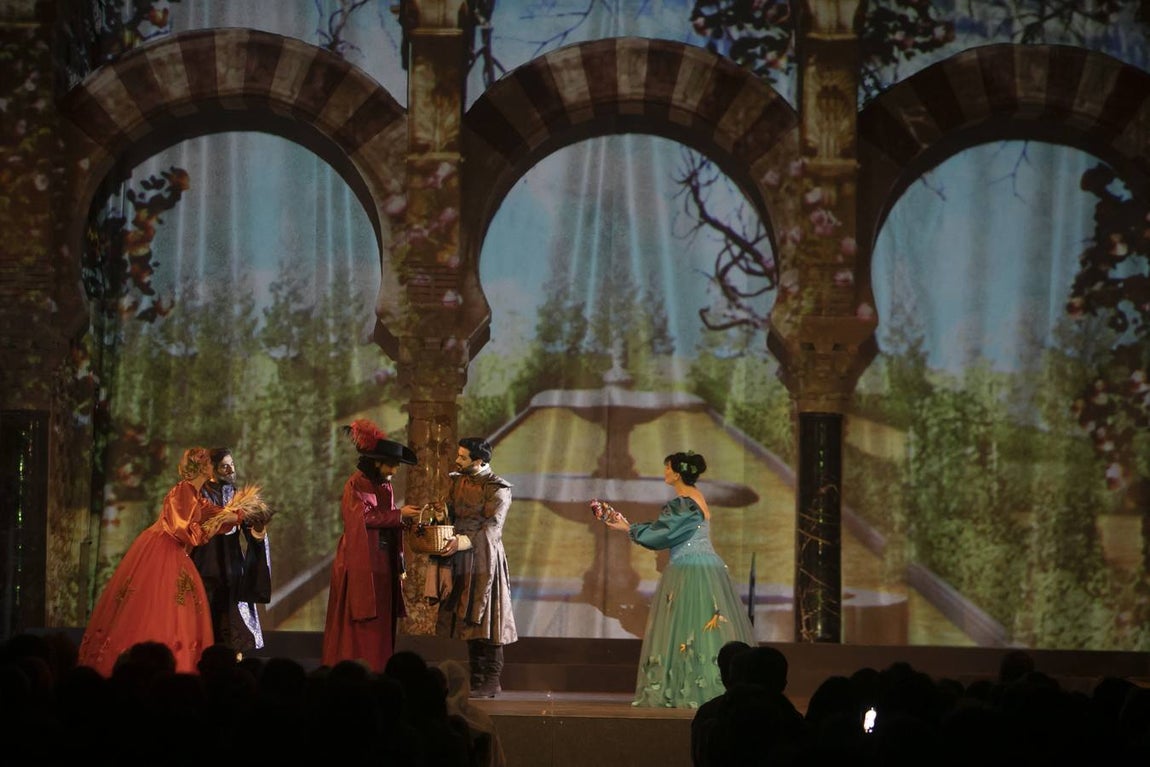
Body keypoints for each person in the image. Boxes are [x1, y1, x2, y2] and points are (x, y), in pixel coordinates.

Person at [78, 447, 266, 677]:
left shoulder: (195, 494)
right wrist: (212, 527)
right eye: (209, 463)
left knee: (182, 606)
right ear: (202, 467)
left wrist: (241, 515)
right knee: (163, 603)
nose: (213, 467)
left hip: (175, 551)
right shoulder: (183, 491)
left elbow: (215, 514)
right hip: (163, 548)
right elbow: (183, 531)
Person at [603, 450, 756, 708]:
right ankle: (698, 685)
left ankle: (698, 689)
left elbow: (661, 534)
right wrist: (629, 526)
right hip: (701, 567)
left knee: (691, 628)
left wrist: (628, 528)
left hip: (690, 569)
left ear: (676, 473)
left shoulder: (685, 503)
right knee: (699, 628)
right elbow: (666, 529)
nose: (664, 472)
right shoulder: (694, 498)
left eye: (667, 467)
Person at [322, 419, 421, 672]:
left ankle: (379, 665)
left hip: (382, 560)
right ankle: (355, 667)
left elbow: (385, 516)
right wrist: (399, 515)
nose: (395, 470)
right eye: (392, 464)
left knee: (381, 616)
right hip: (362, 560)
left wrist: (404, 520)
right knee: (361, 617)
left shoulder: (383, 485)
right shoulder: (357, 483)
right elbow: (362, 517)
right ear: (377, 462)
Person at [424, 437, 518, 698]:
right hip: (461, 557)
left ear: (479, 460)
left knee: (488, 618)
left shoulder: (497, 488)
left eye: (463, 457)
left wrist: (462, 542)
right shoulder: (458, 481)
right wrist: (442, 514)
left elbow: (492, 527)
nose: (457, 460)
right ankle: (476, 678)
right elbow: (452, 511)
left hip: (485, 558)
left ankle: (491, 679)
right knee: (468, 619)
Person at [191, 448, 272, 658]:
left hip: (231, 567)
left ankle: (233, 659)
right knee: (205, 618)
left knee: (231, 620)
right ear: (211, 469)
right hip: (204, 565)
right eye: (224, 466)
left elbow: (251, 530)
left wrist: (258, 529)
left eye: (232, 465)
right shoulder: (198, 495)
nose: (231, 470)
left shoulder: (237, 495)